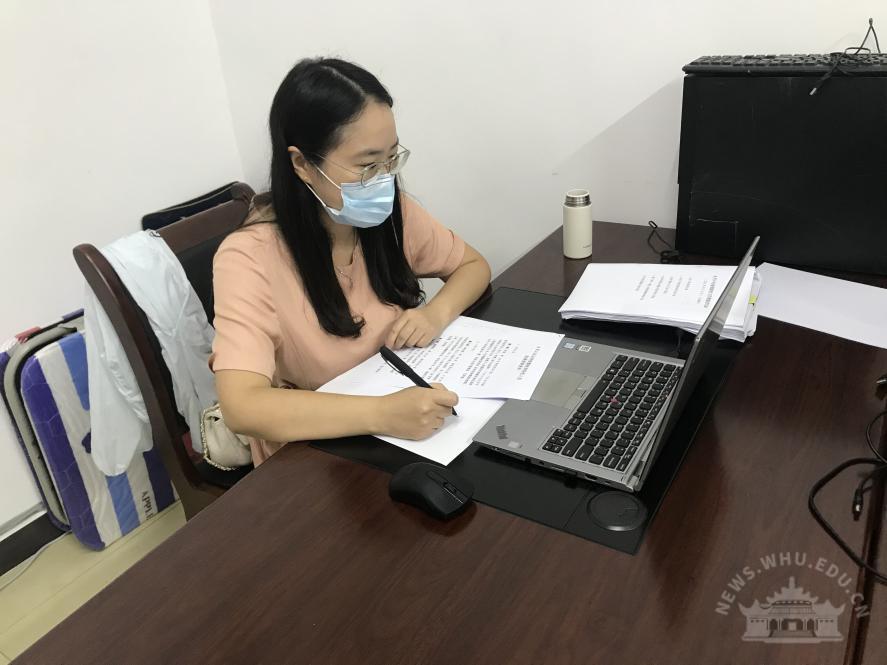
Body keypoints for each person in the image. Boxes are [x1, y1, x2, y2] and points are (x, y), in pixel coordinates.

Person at [210, 57, 491, 465]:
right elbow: (243, 407)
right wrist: (382, 414)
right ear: (302, 164)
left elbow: (473, 266)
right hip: (317, 454)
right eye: (366, 165)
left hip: (406, 422)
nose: (384, 179)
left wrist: (436, 313)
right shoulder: (248, 258)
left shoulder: (391, 214)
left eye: (391, 159)